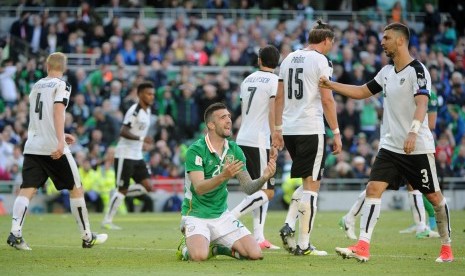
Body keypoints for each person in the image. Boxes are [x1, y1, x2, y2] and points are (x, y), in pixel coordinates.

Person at [320, 22, 453, 263]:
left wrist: (413, 132)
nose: (382, 42)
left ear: (401, 40)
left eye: (387, 38)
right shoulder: (386, 72)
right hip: (391, 147)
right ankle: (363, 245)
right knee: (373, 189)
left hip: (417, 147)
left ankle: (446, 247)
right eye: (382, 38)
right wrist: (331, 85)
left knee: (434, 198)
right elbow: (362, 91)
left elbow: (422, 104)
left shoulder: (418, 71)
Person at [7, 52, 107, 250]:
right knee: (76, 188)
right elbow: (58, 110)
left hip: (33, 145)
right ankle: (87, 237)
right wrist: (61, 140)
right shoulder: (62, 84)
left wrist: (63, 133)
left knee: (28, 189)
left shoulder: (36, 86)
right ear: (64, 67)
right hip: (53, 146)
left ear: (47, 66)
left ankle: (15, 233)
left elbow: (41, 116)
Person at [272, 19, 342, 256]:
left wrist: (278, 129)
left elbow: (279, 98)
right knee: (312, 188)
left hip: (290, 129)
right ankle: (304, 244)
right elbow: (327, 98)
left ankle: (290, 223)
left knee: (306, 183)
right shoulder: (321, 60)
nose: (332, 46)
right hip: (311, 128)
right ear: (325, 40)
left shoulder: (289, 58)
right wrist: (336, 132)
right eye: (332, 42)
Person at [176, 102, 276, 262]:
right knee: (198, 256)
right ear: (211, 124)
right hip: (196, 215)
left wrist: (264, 178)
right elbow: (199, 188)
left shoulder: (234, 150)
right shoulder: (196, 150)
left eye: (229, 116)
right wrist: (223, 176)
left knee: (255, 254)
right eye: (223, 117)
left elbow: (248, 188)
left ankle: (218, 249)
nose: (229, 120)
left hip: (222, 215)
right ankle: (186, 246)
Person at [339, 91, 440, 240]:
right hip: (397, 144)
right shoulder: (423, 92)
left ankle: (421, 227)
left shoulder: (398, 84)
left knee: (409, 184)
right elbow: (431, 124)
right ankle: (349, 218)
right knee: (378, 186)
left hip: (401, 142)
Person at [230, 45, 281, 250]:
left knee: (257, 190)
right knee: (267, 192)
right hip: (259, 139)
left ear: (260, 60)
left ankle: (259, 236)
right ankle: (231, 218)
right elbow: (271, 111)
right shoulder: (274, 81)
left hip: (243, 137)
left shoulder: (247, 80)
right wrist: (275, 137)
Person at [101, 81, 155, 230]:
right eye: (148, 94)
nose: (151, 97)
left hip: (137, 155)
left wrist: (142, 142)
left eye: (153, 94)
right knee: (122, 189)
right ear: (139, 95)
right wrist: (142, 139)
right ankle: (107, 220)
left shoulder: (147, 111)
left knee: (148, 187)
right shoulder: (135, 111)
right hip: (125, 154)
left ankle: (119, 191)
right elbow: (123, 131)